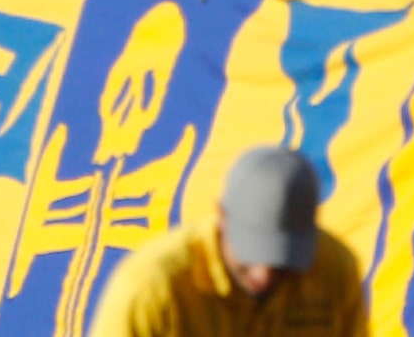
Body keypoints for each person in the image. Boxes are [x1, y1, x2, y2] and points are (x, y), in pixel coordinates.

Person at [90, 144, 364, 337]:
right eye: (250, 254)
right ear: (222, 215)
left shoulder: (333, 271)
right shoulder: (153, 288)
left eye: (283, 262)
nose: (264, 275)